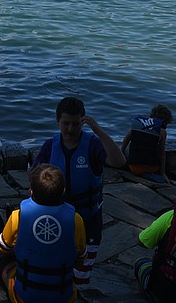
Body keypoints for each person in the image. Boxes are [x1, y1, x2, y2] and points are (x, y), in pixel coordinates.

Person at [33, 96, 126, 284]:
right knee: (55, 264)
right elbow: (34, 178)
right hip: (57, 218)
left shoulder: (92, 145)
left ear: (83, 122)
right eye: (65, 123)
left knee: (82, 271)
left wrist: (98, 130)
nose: (70, 129)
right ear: (57, 121)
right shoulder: (50, 146)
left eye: (75, 124)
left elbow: (119, 162)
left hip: (89, 218)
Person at [0, 164, 85, 303]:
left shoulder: (18, 217)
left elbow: (2, 249)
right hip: (63, 301)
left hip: (24, 300)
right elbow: (80, 259)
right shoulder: (75, 220)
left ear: (31, 191)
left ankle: (4, 297)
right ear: (63, 191)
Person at [120, 104, 173, 184]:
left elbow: (126, 139)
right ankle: (149, 174)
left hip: (134, 168)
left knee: (128, 148)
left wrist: (121, 151)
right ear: (166, 121)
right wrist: (162, 174)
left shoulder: (138, 124)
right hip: (153, 168)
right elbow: (162, 153)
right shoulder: (163, 132)